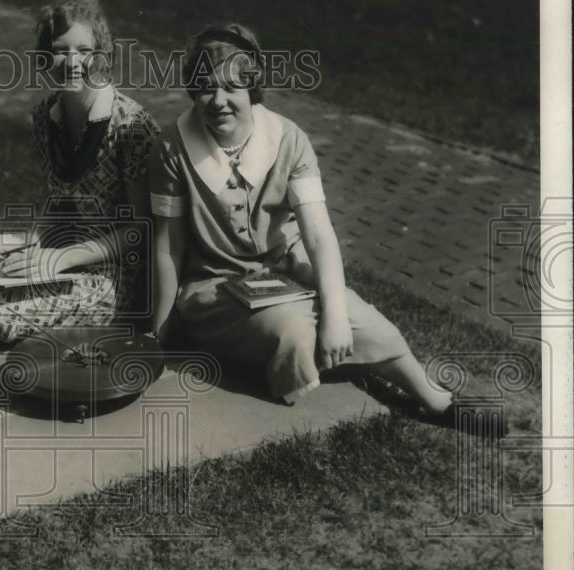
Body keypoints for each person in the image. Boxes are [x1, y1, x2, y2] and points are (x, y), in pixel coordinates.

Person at [149, 23, 455, 417]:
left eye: (231, 88)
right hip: (213, 286)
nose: (218, 100)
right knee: (291, 330)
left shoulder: (289, 139)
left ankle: (434, 399)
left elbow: (319, 236)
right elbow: (168, 247)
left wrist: (336, 317)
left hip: (286, 270)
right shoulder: (172, 147)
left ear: (252, 87)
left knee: (357, 316)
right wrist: (159, 333)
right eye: (206, 86)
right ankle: (315, 363)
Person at [0, 0, 160, 343]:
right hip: (60, 254)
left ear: (101, 54)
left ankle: (51, 332)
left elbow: (143, 230)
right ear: (44, 55)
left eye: (84, 51)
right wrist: (30, 246)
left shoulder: (130, 125)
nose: (71, 62)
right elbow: (60, 199)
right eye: (59, 49)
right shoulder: (45, 116)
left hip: (115, 275)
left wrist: (64, 258)